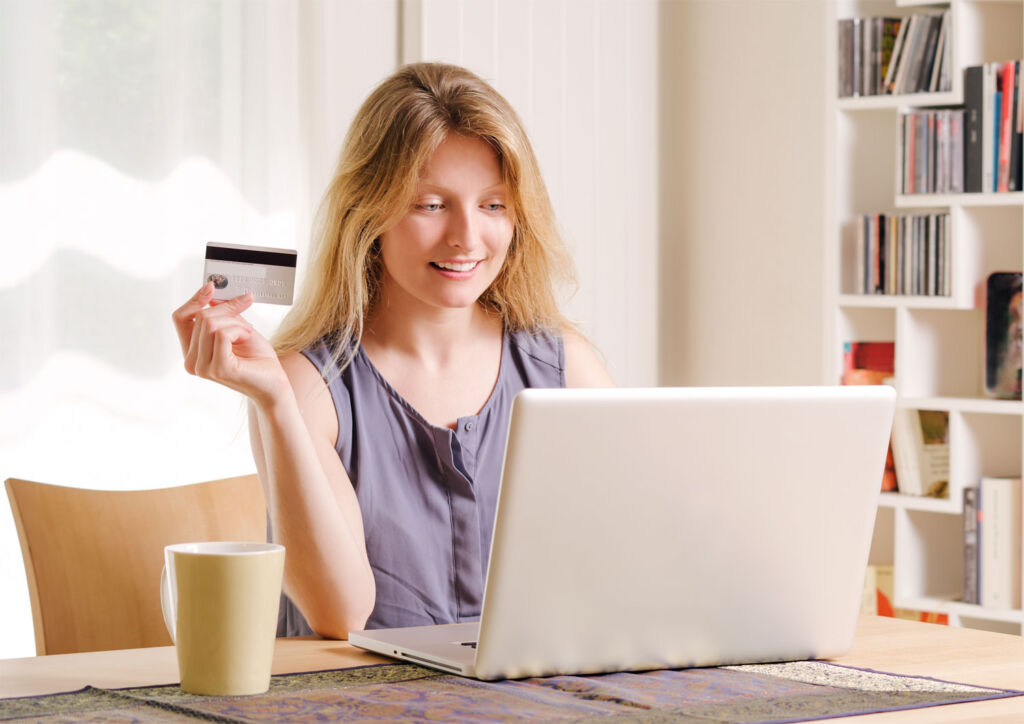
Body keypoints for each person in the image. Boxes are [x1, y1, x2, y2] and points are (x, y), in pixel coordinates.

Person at [172, 62, 613, 639]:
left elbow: (632, 560)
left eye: (493, 205)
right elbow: (340, 613)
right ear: (369, 212)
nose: (466, 237)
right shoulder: (306, 387)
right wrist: (275, 404)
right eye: (430, 204)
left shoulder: (564, 366)